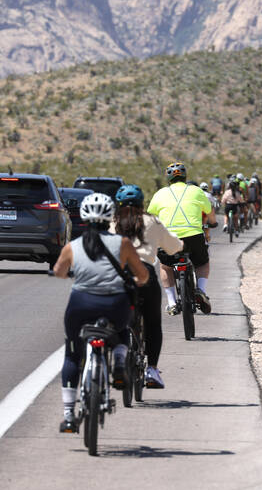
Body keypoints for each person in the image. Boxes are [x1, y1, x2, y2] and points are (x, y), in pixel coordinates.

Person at [51, 192, 149, 433]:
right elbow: (143, 275)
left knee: (73, 354)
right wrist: (135, 280)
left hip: (80, 304)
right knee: (123, 331)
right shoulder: (123, 243)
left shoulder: (72, 246)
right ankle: (117, 361)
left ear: (84, 218)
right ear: (109, 218)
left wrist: (73, 273)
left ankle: (68, 415)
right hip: (115, 304)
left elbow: (59, 272)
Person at [113, 184, 183, 389]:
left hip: (119, 274)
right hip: (145, 274)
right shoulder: (153, 221)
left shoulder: (112, 222)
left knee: (114, 318)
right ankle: (152, 369)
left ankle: (116, 359)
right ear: (142, 202)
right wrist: (180, 247)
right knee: (153, 324)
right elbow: (174, 246)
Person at [147, 161, 215, 315]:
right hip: (193, 235)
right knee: (202, 262)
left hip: (169, 238)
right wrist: (213, 222)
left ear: (168, 179)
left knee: (165, 266)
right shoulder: (196, 191)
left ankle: (171, 303)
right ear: (185, 177)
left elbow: (151, 216)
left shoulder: (160, 194)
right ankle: (201, 290)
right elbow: (209, 211)